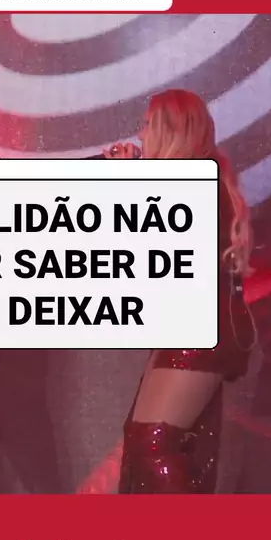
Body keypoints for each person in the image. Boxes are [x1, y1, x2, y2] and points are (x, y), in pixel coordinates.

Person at [104, 89, 257, 493]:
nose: (141, 135)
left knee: (152, 444)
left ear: (170, 130)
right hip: (198, 328)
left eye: (148, 125)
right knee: (177, 446)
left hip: (199, 333)